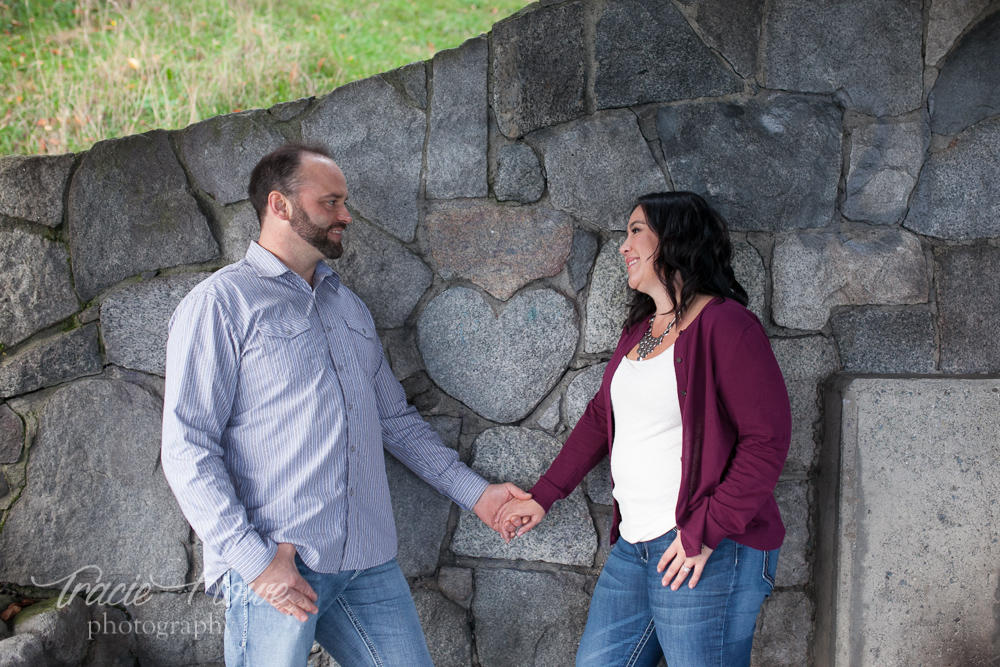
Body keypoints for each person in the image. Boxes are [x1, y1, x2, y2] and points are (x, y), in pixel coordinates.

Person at [161, 143, 531, 667]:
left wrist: (479, 496)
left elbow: (395, 422)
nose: (346, 215)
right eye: (331, 202)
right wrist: (256, 562)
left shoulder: (348, 306)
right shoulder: (220, 305)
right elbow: (187, 448)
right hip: (279, 565)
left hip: (365, 563)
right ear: (280, 205)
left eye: (344, 202)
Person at [496, 191, 791, 667]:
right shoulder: (642, 331)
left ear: (674, 240)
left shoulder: (728, 327)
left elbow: (767, 440)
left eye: (635, 231)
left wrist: (707, 531)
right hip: (634, 548)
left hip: (704, 551)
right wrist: (544, 494)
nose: (623, 246)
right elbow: (601, 418)